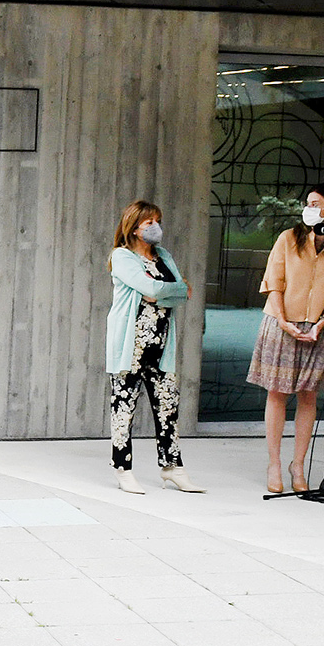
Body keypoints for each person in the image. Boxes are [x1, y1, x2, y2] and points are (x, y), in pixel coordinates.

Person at [251, 184, 324, 494]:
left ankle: (298, 464)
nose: (309, 207)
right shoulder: (289, 238)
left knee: (308, 395)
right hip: (281, 320)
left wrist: (322, 322)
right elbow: (274, 281)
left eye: (316, 203)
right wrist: (284, 321)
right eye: (307, 202)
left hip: (318, 328)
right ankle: (274, 462)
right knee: (278, 392)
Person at [105, 200, 201, 495]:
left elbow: (184, 291)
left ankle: (173, 468)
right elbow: (153, 288)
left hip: (160, 347)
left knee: (168, 407)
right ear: (133, 228)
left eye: (157, 220)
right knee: (124, 408)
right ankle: (123, 469)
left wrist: (163, 295)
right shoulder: (122, 257)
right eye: (149, 222)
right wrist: (162, 292)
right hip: (129, 346)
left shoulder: (163, 256)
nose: (155, 227)